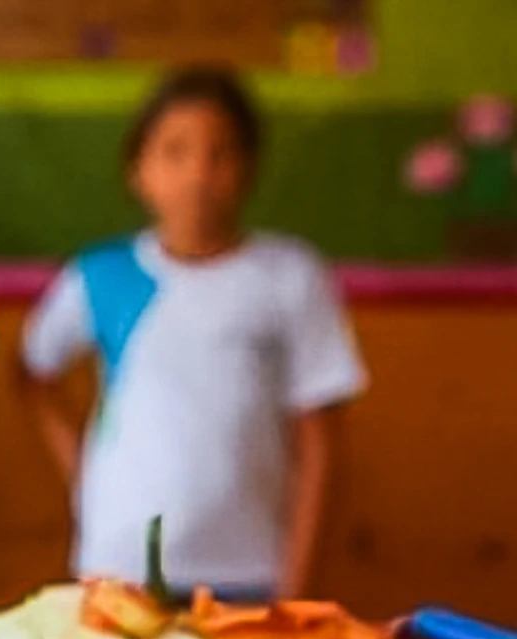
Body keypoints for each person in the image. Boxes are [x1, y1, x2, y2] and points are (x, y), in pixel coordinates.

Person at [22, 68, 365, 601]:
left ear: (250, 167)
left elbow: (320, 444)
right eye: (174, 151)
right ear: (139, 170)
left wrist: (296, 588)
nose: (199, 174)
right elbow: (33, 374)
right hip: (119, 564)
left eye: (221, 153)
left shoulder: (290, 275)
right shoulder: (98, 275)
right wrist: (81, 471)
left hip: (248, 569)